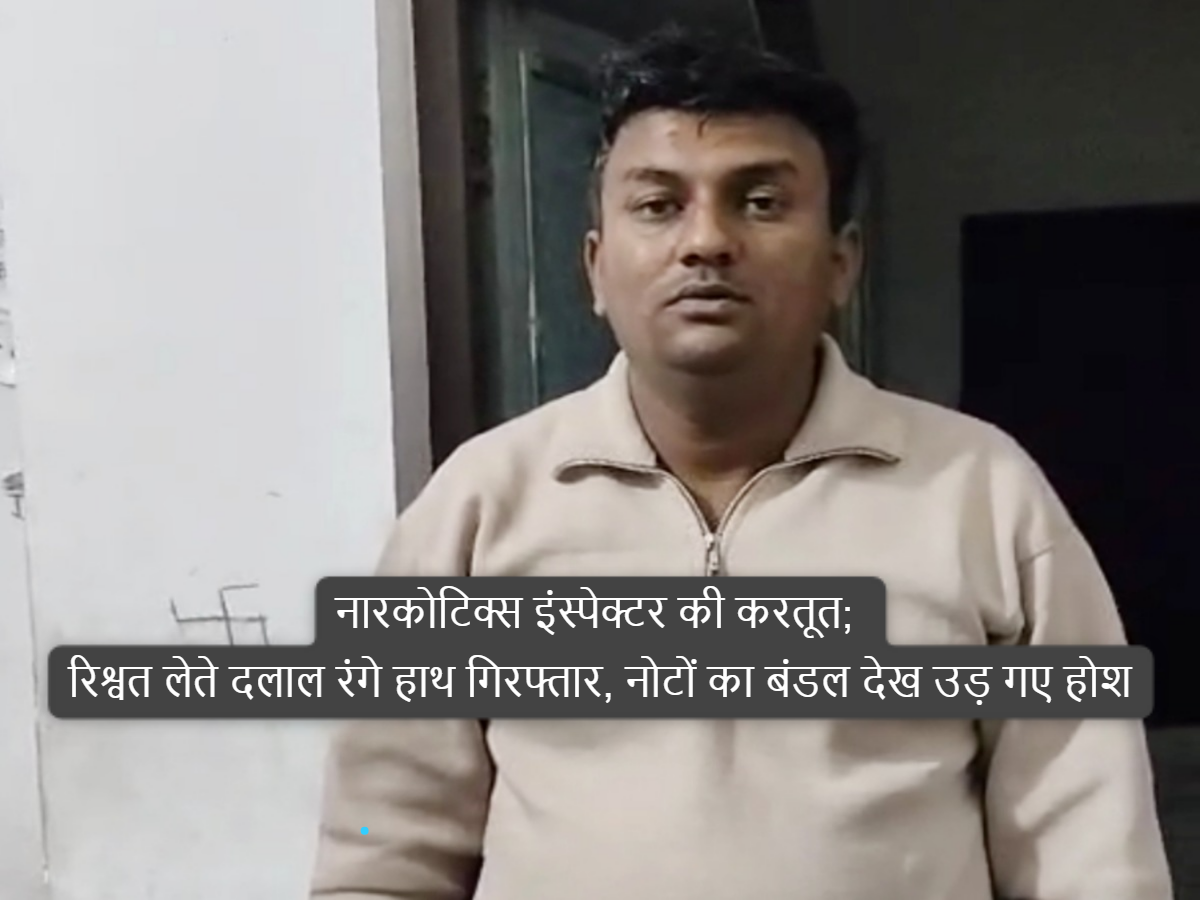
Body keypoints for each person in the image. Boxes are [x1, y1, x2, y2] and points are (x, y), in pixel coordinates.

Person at [309, 26, 1172, 900]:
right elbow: (381, 845)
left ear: (841, 263)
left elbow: (1091, 854)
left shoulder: (980, 495)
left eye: (759, 202)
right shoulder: (479, 506)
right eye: (659, 205)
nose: (707, 242)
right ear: (596, 268)